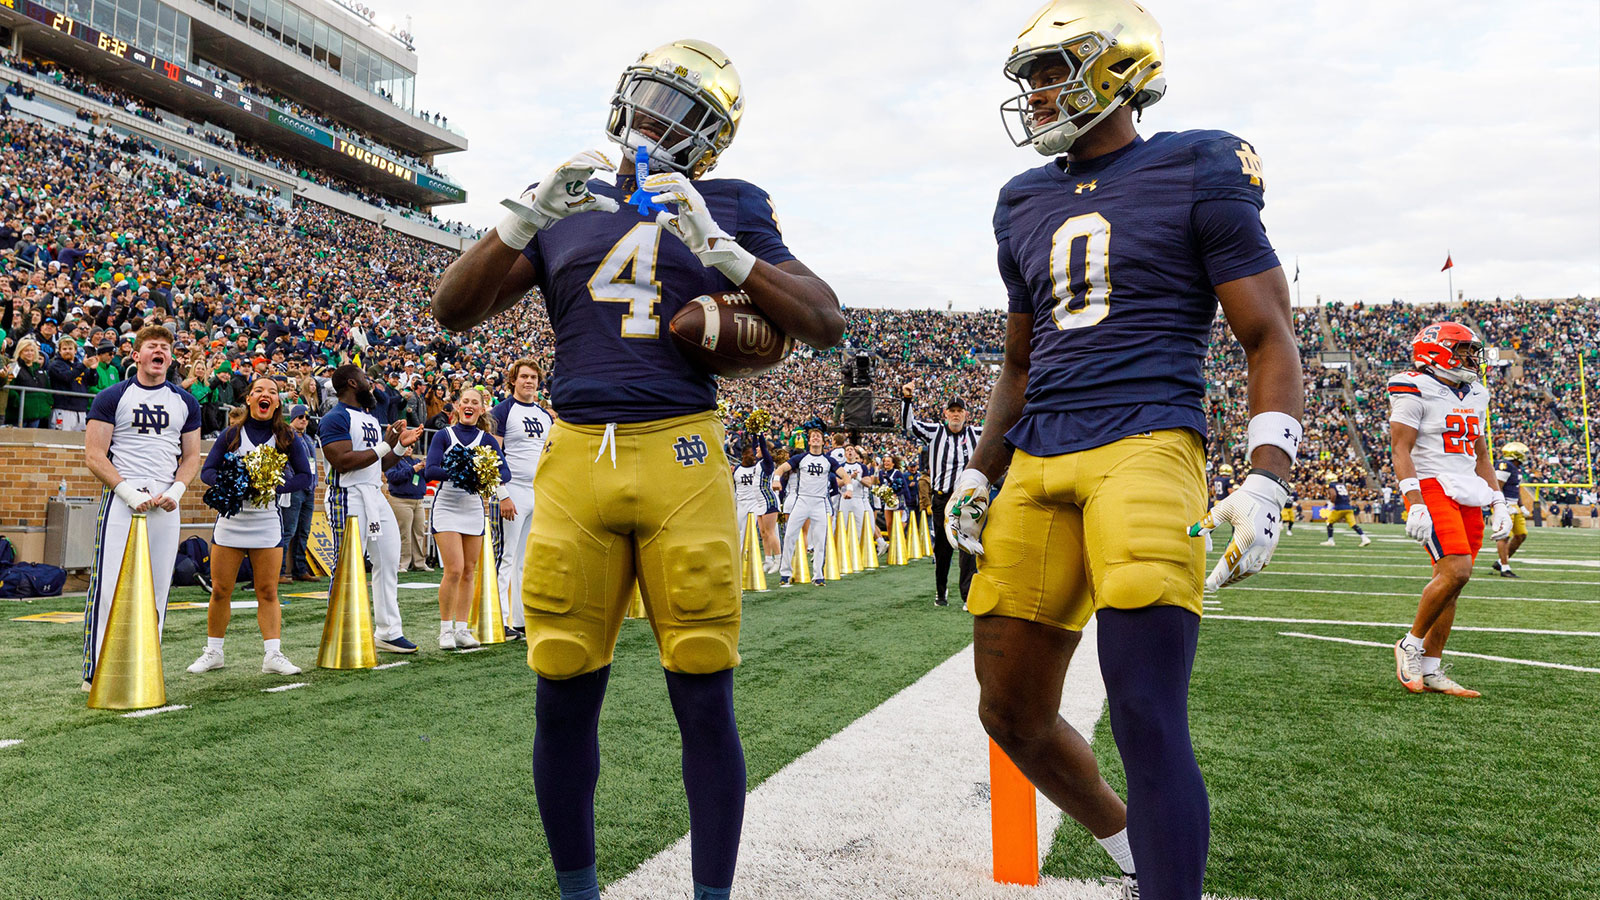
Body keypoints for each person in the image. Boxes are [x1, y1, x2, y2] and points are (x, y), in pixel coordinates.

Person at [429, 37, 841, 900]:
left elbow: (821, 320)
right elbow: (453, 311)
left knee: (702, 690)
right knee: (563, 686)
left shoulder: (731, 199)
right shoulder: (569, 199)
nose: (655, 118)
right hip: (576, 456)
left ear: (713, 136)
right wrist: (523, 216)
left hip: (683, 453)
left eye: (681, 109)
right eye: (649, 97)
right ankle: (576, 889)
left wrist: (720, 243)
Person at [948, 3, 1304, 896]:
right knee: (1011, 711)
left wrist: (1266, 478)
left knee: (1146, 711)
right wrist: (977, 473)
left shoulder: (1196, 163)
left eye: (1049, 72)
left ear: (1114, 71)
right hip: (1036, 457)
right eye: (1027, 76)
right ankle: (1132, 851)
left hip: (1145, 445)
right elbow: (1020, 360)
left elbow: (1268, 333)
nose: (1032, 95)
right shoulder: (1020, 200)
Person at [1390, 322, 1509, 699]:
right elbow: (1400, 450)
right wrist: (1415, 503)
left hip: (1466, 488)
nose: (1470, 358)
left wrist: (1498, 500)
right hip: (1431, 485)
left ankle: (1431, 668)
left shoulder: (1476, 392)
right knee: (1457, 569)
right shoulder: (1413, 386)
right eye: (1462, 350)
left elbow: (1481, 453)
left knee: (1453, 584)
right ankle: (1410, 644)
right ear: (1436, 350)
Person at [81, 325, 202, 689]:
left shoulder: (186, 402)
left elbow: (192, 456)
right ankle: (97, 670)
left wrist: (177, 491)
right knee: (109, 583)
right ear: (137, 355)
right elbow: (94, 455)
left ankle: (145, 664)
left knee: (158, 586)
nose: (159, 351)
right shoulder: (112, 396)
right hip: (123, 501)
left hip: (166, 504)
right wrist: (130, 493)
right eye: (152, 346)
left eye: (165, 347)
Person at [186, 377, 315, 676]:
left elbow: (304, 477)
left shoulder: (286, 436)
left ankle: (273, 654)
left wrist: (273, 486)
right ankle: (214, 651)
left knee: (268, 591)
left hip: (267, 520)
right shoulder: (232, 433)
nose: (265, 395)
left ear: (278, 402)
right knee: (220, 590)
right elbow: (207, 472)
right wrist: (234, 484)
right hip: (231, 522)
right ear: (248, 399)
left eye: (272, 392)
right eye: (259, 391)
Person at [320, 364, 425, 655]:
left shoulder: (366, 417)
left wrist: (399, 448)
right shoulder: (334, 418)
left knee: (389, 559)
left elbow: (378, 464)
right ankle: (340, 632)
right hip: (347, 496)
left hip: (373, 494)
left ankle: (388, 631)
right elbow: (343, 461)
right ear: (353, 383)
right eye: (367, 379)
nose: (371, 384)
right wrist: (383, 447)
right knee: (346, 567)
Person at [424, 387, 512, 650]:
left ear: (481, 409)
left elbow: (504, 472)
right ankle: (445, 630)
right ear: (458, 406)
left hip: (473, 507)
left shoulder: (487, 440)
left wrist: (480, 475)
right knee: (453, 569)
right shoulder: (444, 435)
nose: (470, 405)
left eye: (475, 402)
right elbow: (431, 469)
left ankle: (462, 629)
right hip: (447, 506)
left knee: (468, 571)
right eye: (465, 401)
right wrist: (461, 472)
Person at [902, 385, 981, 606]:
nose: (956, 414)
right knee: (944, 549)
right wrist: (907, 399)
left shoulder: (975, 434)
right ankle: (941, 591)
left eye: (959, 411)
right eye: (952, 411)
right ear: (945, 414)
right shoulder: (935, 432)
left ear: (966, 414)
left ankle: (968, 596)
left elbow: (1000, 430)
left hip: (966, 500)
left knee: (967, 549)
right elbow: (909, 425)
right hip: (942, 498)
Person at [491, 359, 552, 640]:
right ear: (512, 380)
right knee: (506, 556)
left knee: (526, 559)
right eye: (524, 376)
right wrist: (501, 493)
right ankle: (498, 619)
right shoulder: (502, 411)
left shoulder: (544, 415)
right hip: (512, 488)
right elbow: (492, 454)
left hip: (537, 490)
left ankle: (519, 619)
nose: (529, 381)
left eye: (534, 377)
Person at [771, 428, 840, 587]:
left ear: (823, 442)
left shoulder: (829, 461)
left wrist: (849, 486)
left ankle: (818, 575)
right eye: (813, 436)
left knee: (820, 539)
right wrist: (776, 479)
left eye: (819, 436)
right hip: (801, 501)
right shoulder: (800, 458)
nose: (816, 438)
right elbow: (781, 468)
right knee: (789, 535)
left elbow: (844, 474)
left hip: (820, 502)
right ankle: (785, 573)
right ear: (809, 441)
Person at [278, 404, 318, 583]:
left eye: (306, 417)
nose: (304, 420)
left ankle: (300, 569)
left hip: (309, 489)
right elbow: (284, 463)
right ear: (292, 418)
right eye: (300, 416)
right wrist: (292, 482)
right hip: (295, 489)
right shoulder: (288, 436)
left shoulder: (309, 439)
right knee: (289, 530)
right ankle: (279, 571)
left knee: (304, 530)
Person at [732, 433, 780, 574]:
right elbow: (756, 446)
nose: (756, 450)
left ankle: (778, 560)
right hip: (759, 502)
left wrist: (760, 434)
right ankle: (768, 560)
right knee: (764, 533)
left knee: (771, 532)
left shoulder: (767, 462)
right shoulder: (759, 462)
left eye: (758, 448)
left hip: (767, 499)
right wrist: (753, 432)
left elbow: (763, 447)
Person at [385, 440, 430, 572]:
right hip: (401, 500)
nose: (410, 448)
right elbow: (394, 477)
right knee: (403, 533)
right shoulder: (392, 461)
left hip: (418, 500)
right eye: (407, 446)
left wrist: (426, 468)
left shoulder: (415, 460)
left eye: (412, 446)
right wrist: (413, 470)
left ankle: (419, 562)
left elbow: (425, 478)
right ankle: (402, 563)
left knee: (419, 532)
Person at [1491, 442, 1528, 577]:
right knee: (1504, 536)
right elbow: (1497, 485)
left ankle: (1501, 561)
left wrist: (1522, 505)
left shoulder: (1516, 467)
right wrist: (1501, 504)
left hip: (1514, 505)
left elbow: (1516, 489)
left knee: (1521, 535)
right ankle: (1505, 567)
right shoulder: (1504, 465)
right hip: (1505, 504)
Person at [48, 337, 92, 430]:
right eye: (64, 349)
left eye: (70, 349)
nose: (67, 351)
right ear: (59, 351)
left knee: (80, 442)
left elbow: (92, 382)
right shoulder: (55, 364)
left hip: (81, 409)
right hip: (63, 409)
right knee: (61, 440)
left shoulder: (79, 365)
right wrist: (83, 366)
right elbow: (66, 377)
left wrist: (93, 370)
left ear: (75, 351)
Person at [8, 337, 52, 427]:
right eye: (26, 350)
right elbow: (9, 387)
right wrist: (18, 402)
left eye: (32, 350)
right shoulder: (13, 366)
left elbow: (47, 388)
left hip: (37, 414)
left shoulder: (39, 369)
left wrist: (48, 402)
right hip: (19, 414)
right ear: (20, 352)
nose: (30, 353)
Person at [1319, 475, 1371, 547]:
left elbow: (1333, 495)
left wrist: (1330, 505)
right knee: (1353, 525)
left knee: (1329, 522)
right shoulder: (1341, 485)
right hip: (1348, 508)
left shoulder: (1332, 485)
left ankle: (1330, 540)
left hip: (1339, 508)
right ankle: (1365, 538)